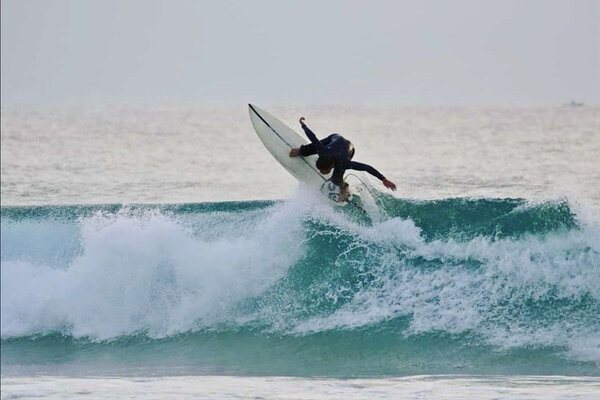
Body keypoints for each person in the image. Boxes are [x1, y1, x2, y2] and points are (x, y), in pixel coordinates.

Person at [289, 117, 397, 199]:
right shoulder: (323, 151)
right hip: (334, 138)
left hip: (349, 150)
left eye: (323, 170)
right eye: (320, 170)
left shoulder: (344, 163)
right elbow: (313, 137)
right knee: (311, 148)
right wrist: (303, 125)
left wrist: (383, 179)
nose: (321, 172)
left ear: (331, 166)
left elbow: (366, 167)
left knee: (336, 179)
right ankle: (300, 150)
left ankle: (344, 187)